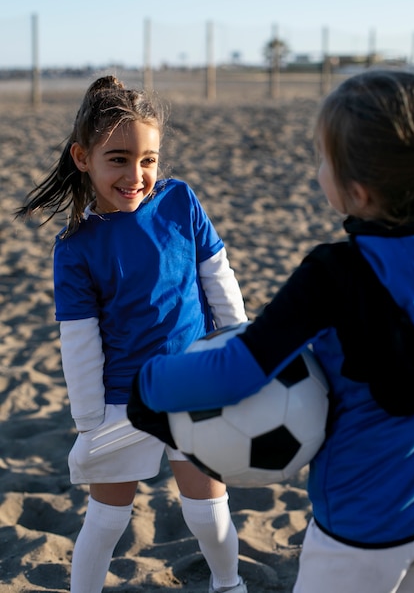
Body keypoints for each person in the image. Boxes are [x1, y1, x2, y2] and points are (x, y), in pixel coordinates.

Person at [128, 69, 414, 593]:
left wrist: (148, 386)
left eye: (322, 158)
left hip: (360, 526)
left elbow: (238, 370)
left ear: (354, 188)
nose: (317, 169)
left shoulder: (335, 274)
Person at [16, 75, 248, 593]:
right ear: (83, 157)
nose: (136, 175)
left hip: (195, 384)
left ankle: (230, 585)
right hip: (124, 399)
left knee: (209, 512)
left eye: (148, 160)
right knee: (106, 520)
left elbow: (217, 276)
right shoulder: (75, 247)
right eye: (118, 159)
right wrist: (89, 420)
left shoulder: (179, 202)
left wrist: (240, 349)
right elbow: (79, 342)